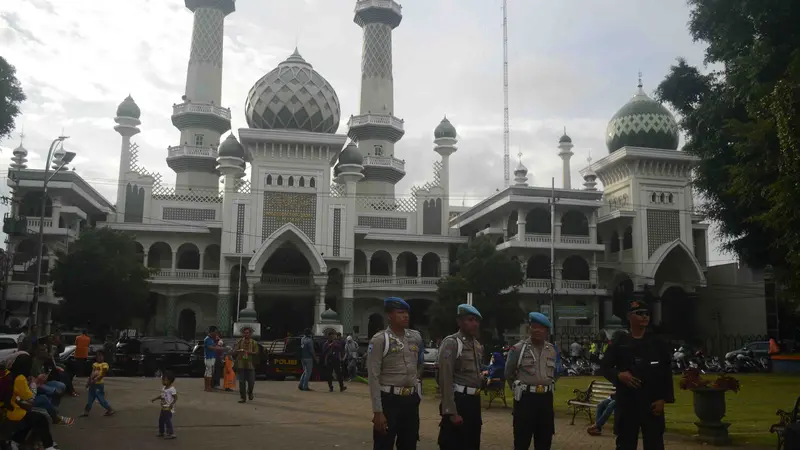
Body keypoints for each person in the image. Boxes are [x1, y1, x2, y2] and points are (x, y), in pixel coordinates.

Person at [600, 299, 673, 450]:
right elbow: (605, 367)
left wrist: (663, 399)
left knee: (655, 444)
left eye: (647, 314)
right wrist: (619, 375)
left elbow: (666, 373)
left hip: (652, 404)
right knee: (625, 444)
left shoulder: (657, 343)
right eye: (639, 314)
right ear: (629, 316)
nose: (644, 317)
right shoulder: (620, 342)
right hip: (628, 403)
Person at [367, 297, 424, 450]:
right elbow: (373, 376)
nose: (405, 316)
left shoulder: (415, 337)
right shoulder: (380, 340)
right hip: (389, 400)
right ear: (389, 316)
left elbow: (420, 363)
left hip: (410, 401)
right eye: (400, 312)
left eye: (406, 312)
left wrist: (416, 388)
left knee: (409, 444)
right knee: (383, 444)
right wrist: (378, 411)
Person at [437, 304, 483, 450]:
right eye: (470, 319)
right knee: (453, 444)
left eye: (476, 320)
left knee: (472, 443)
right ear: (459, 322)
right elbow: (445, 378)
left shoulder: (476, 345)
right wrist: (451, 411)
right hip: (459, 401)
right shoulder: (451, 343)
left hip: (474, 402)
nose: (474, 324)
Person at [7, 353, 59, 450]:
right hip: (13, 411)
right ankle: (48, 446)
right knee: (41, 418)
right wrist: (35, 384)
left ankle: (15, 441)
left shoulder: (10, 374)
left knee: (33, 418)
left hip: (10, 407)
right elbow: (31, 399)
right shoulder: (20, 378)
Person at [81, 349, 115, 417]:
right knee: (90, 399)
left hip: (99, 385)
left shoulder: (104, 364)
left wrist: (97, 379)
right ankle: (86, 412)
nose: (99, 357)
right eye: (97, 356)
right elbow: (92, 373)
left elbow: (103, 373)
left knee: (101, 399)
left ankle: (110, 409)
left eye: (100, 356)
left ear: (103, 357)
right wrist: (89, 382)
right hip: (92, 385)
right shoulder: (94, 364)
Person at [234, 326, 259, 403]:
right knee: (241, 382)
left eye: (247, 333)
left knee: (251, 381)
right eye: (244, 333)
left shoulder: (254, 342)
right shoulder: (239, 341)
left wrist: (248, 352)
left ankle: (250, 392)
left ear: (250, 334)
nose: (246, 334)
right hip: (241, 364)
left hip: (250, 364)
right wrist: (240, 351)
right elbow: (235, 350)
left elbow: (257, 353)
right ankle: (243, 397)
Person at [151, 370, 178, 439]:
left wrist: (172, 404)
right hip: (163, 408)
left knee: (167, 421)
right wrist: (155, 399)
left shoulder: (172, 389)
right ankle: (161, 432)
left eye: (165, 380)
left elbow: (175, 397)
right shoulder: (164, 388)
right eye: (162, 380)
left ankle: (171, 433)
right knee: (161, 420)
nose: (163, 382)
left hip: (168, 408)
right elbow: (162, 396)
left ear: (170, 381)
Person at [203, 326, 222, 392]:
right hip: (209, 358)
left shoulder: (211, 339)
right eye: (215, 332)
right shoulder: (207, 339)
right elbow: (211, 347)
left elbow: (214, 346)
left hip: (211, 358)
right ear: (212, 332)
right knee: (209, 373)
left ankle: (206, 387)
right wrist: (223, 348)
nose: (216, 333)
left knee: (207, 373)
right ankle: (208, 387)